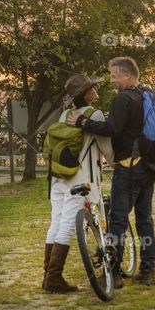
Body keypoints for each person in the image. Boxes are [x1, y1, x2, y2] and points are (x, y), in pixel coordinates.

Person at [67, 56, 155, 287]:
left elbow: (111, 129)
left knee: (117, 220)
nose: (112, 80)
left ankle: (114, 274)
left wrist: (82, 123)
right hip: (148, 167)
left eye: (114, 75)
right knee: (145, 219)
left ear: (127, 75)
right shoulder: (146, 96)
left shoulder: (122, 99)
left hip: (127, 168)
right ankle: (148, 271)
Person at [43, 74, 113, 293]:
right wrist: (115, 162)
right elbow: (106, 148)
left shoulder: (65, 115)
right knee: (67, 225)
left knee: (56, 221)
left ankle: (47, 275)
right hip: (80, 179)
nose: (96, 90)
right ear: (86, 94)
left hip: (58, 178)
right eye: (92, 88)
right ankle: (54, 278)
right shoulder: (95, 114)